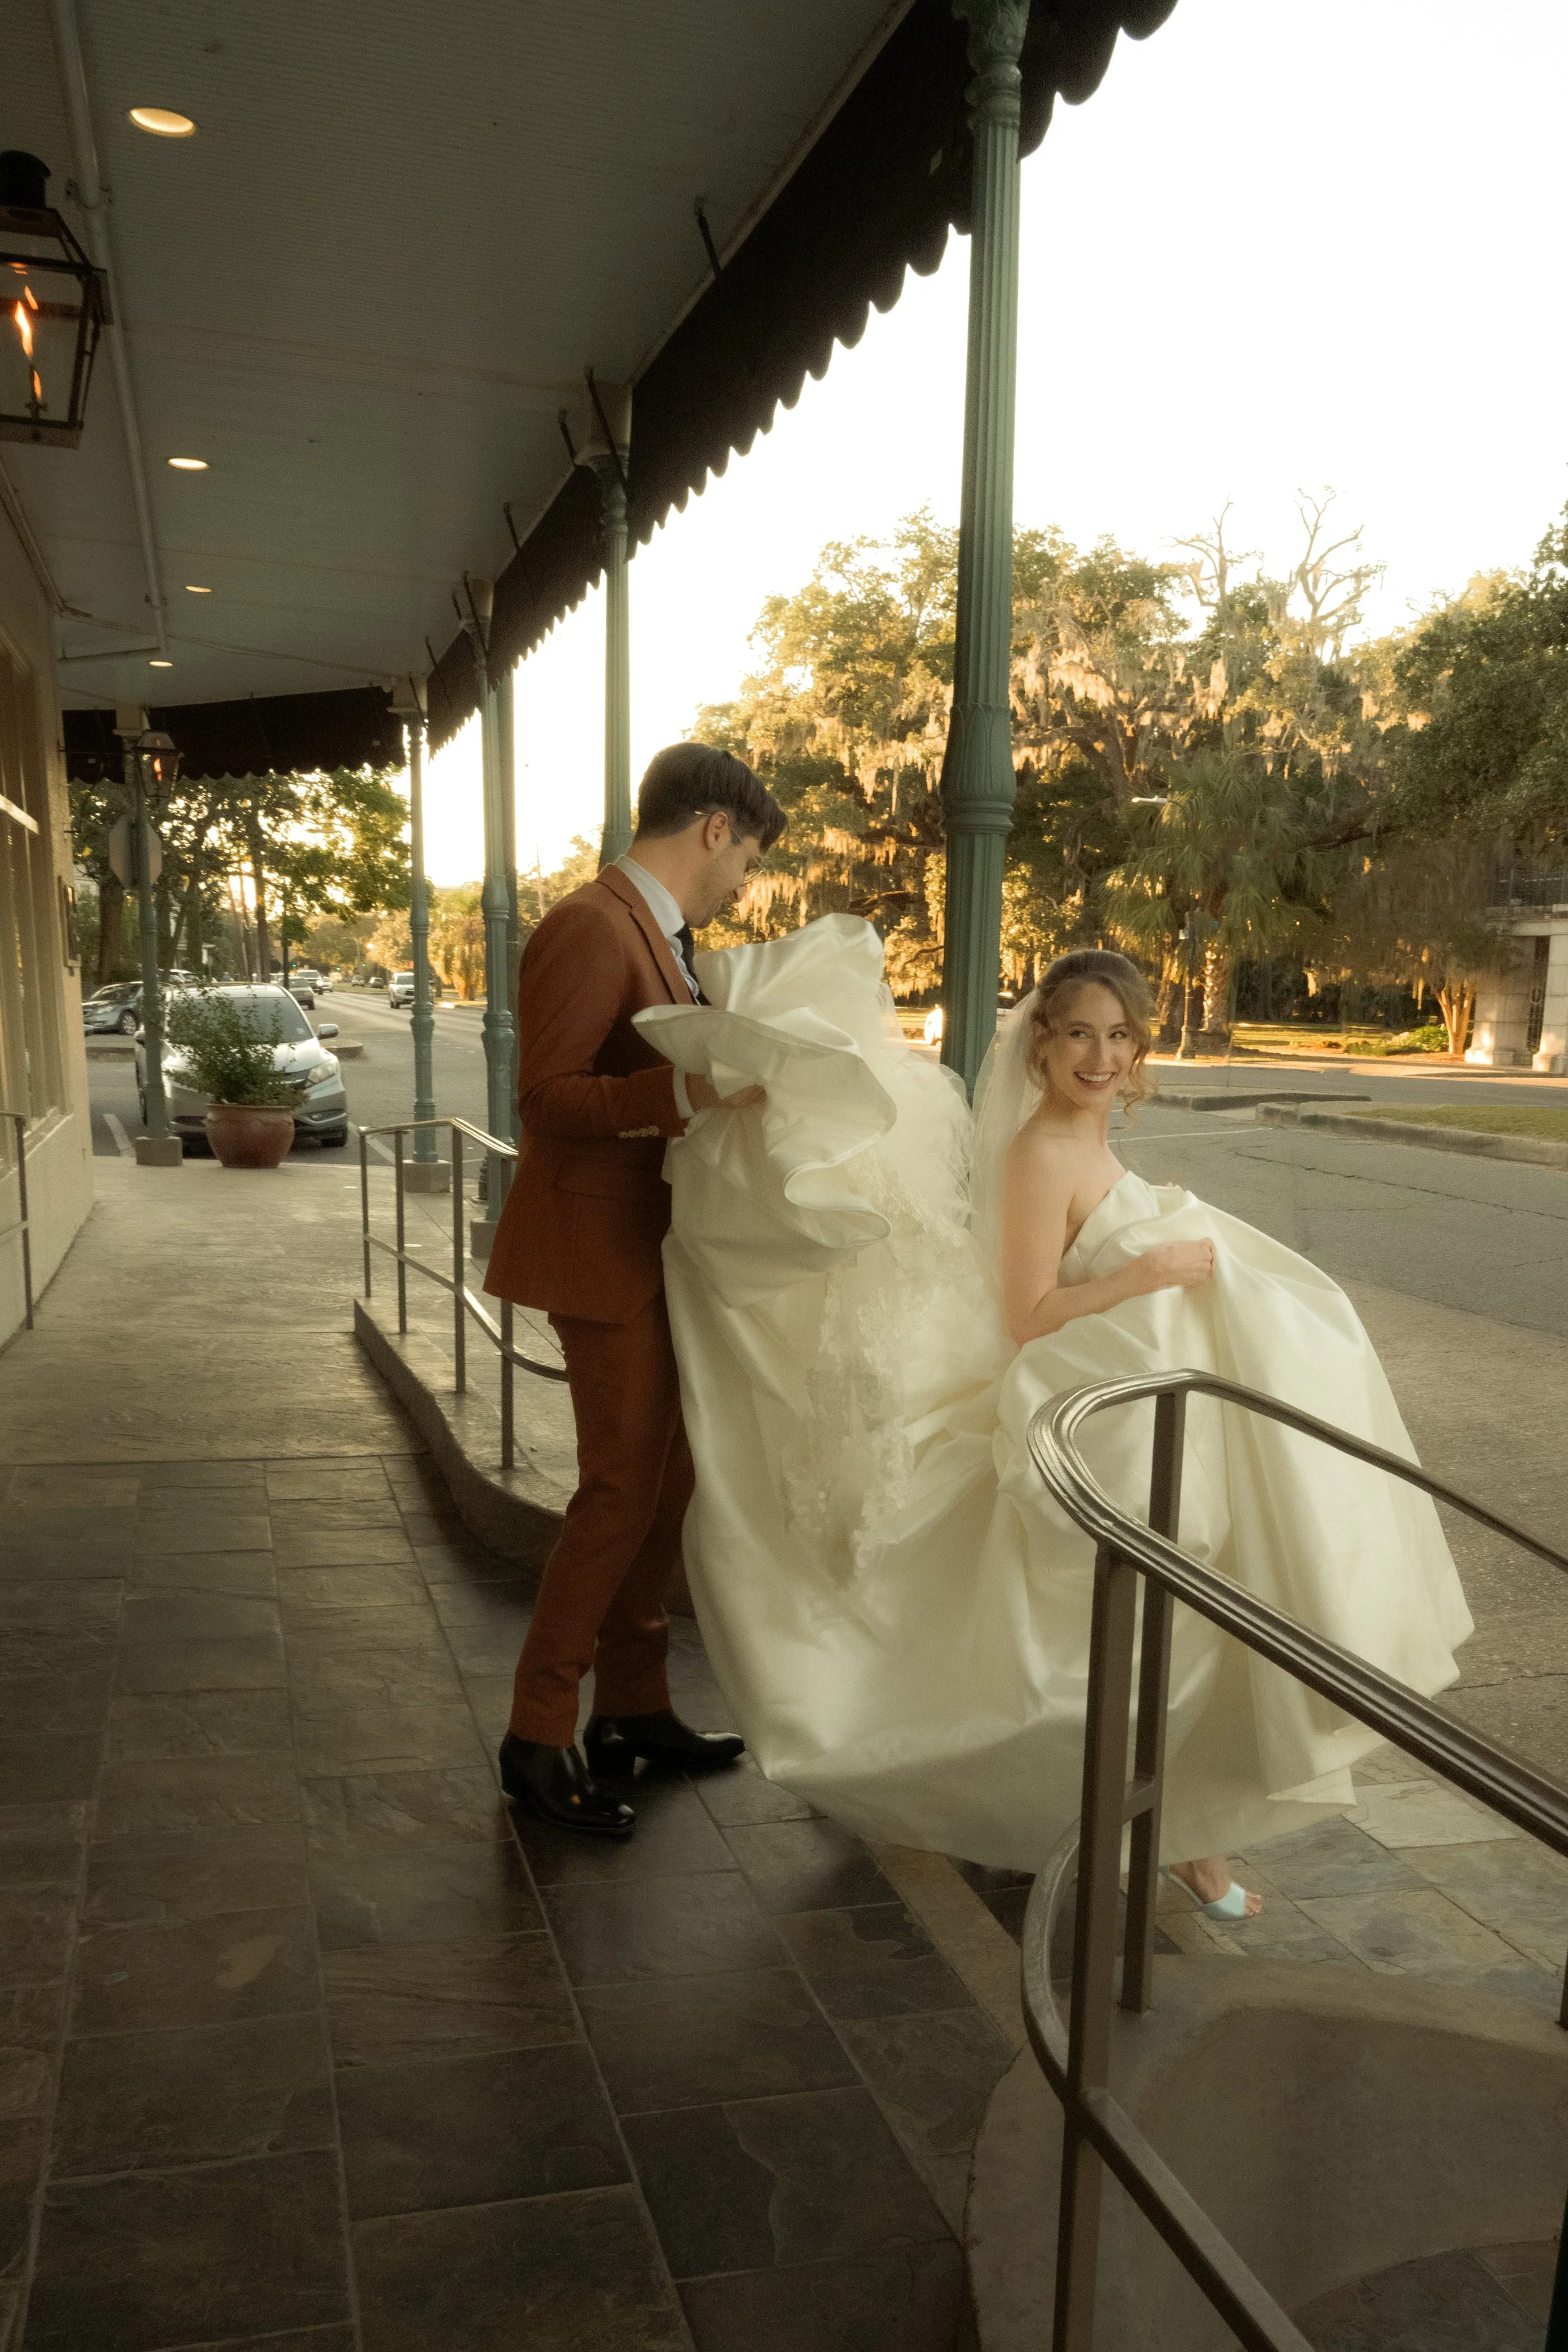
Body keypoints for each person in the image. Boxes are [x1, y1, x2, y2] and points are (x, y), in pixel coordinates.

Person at [633, 921, 1474, 1903]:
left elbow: (1089, 1234)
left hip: (1131, 1382)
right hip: (1078, 1394)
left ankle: (1183, 1828)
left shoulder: (1091, 1135)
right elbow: (1031, 1313)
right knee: (1161, 1603)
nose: (1101, 1057)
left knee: (1207, 1586)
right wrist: (1147, 1267)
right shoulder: (1039, 1150)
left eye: (1119, 1037)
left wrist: (1148, 1222)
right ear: (1041, 1043)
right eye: (1079, 1034)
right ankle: (1172, 1834)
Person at [482, 743, 785, 1838]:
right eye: (747, 857)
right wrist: (690, 1089)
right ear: (715, 829)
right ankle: (536, 1728)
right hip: (598, 1253)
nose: (743, 881)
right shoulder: (591, 923)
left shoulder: (658, 932)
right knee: (618, 1492)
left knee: (670, 1484)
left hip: (654, 1247)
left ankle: (636, 1707)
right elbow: (547, 1097)